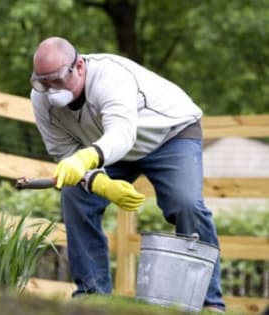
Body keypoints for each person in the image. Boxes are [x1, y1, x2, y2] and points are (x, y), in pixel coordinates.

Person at [29, 36, 225, 312]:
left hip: (169, 134)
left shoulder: (110, 77)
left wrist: (85, 159)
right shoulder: (41, 101)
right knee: (75, 196)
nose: (51, 90)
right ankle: (92, 297)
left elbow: (122, 134)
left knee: (185, 204)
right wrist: (95, 180)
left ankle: (209, 303)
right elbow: (64, 152)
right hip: (107, 150)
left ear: (80, 67)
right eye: (43, 82)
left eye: (58, 80)